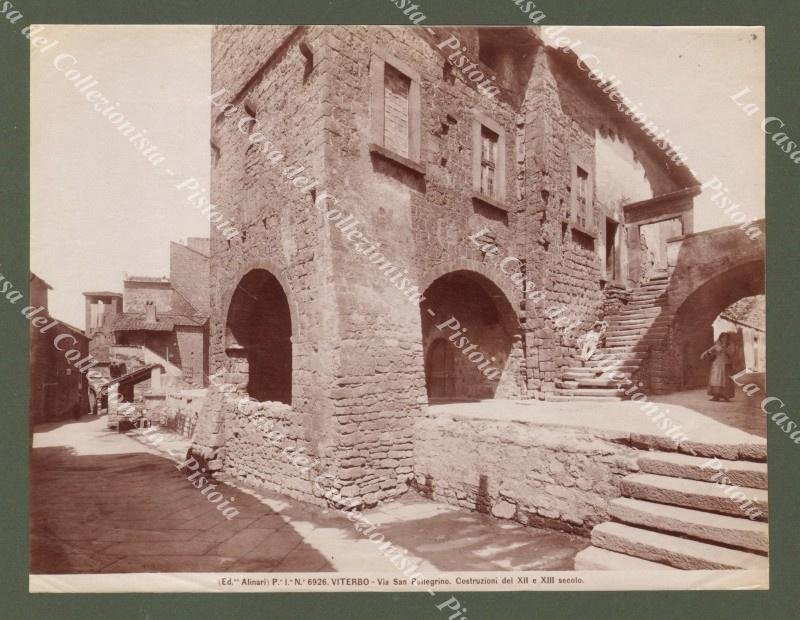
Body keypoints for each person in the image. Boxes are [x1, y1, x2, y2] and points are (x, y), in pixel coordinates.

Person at [701, 332, 737, 401]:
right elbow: (709, 350)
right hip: (717, 364)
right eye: (723, 338)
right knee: (716, 380)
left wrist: (725, 349)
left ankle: (726, 396)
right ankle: (716, 396)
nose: (724, 339)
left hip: (726, 364)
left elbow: (731, 354)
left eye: (726, 338)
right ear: (720, 338)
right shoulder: (717, 345)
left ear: (728, 338)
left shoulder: (731, 345)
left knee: (725, 380)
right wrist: (704, 354)